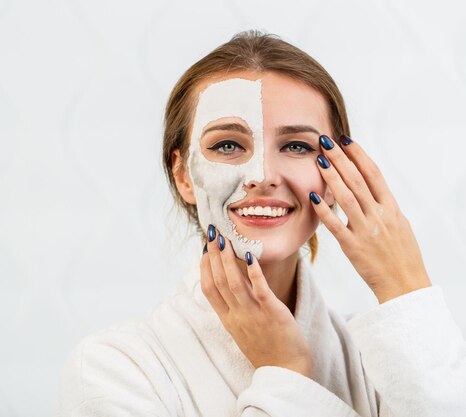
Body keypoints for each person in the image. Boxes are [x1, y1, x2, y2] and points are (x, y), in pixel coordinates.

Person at [54, 31, 466, 416]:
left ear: (337, 173)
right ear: (183, 176)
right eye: (228, 145)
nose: (262, 174)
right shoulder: (112, 370)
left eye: (297, 146)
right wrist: (285, 372)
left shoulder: (382, 360)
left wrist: (404, 285)